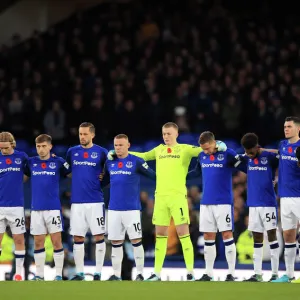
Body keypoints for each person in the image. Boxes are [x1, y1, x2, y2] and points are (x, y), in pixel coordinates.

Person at [108, 122, 227, 281]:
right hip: (161, 198)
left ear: (176, 134)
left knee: (183, 234)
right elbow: (143, 156)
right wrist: (120, 153)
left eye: (169, 134)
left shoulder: (185, 149)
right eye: (164, 134)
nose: (166, 137)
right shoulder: (159, 150)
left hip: (177, 197)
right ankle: (157, 273)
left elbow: (205, 148)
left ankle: (190, 272)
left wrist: (219, 144)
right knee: (161, 235)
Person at [187, 131, 241, 281]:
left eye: (208, 148)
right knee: (208, 236)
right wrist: (180, 175)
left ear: (214, 142)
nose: (206, 151)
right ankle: (208, 273)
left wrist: (230, 151)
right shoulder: (202, 156)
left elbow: (241, 165)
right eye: (203, 149)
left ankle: (231, 273)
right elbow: (195, 172)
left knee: (227, 235)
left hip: (223, 202)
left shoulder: (227, 154)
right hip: (206, 203)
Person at [104, 134, 156, 281]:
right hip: (113, 209)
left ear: (128, 145)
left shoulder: (136, 161)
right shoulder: (109, 163)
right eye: (116, 145)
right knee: (116, 242)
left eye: (121, 145)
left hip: (132, 209)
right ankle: (116, 274)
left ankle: (139, 274)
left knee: (136, 240)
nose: (118, 148)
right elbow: (103, 180)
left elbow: (154, 176)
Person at [25, 134, 71, 280]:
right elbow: (22, 178)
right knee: (38, 242)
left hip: (53, 209)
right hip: (36, 209)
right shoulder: (31, 162)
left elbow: (73, 174)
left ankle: (58, 275)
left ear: (50, 146)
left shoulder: (58, 161)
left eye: (44, 146)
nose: (41, 149)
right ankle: (39, 275)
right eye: (38, 146)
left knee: (56, 241)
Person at [66, 122, 107, 281]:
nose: (82, 137)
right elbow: (68, 171)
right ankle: (80, 273)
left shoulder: (101, 152)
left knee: (99, 237)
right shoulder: (72, 152)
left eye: (85, 134)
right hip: (77, 202)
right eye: (80, 134)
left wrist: (102, 180)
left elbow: (109, 172)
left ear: (92, 135)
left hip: (95, 201)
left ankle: (97, 273)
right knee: (78, 238)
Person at [238, 133, 280, 282]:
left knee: (272, 236)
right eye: (246, 151)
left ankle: (275, 273)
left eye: (251, 151)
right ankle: (257, 274)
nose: (249, 155)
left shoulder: (268, 157)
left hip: (268, 203)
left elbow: (282, 154)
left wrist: (265, 150)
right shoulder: (246, 159)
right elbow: (233, 159)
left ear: (257, 147)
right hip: (253, 205)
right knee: (257, 237)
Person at [270, 116, 300, 283]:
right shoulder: (282, 145)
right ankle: (289, 275)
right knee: (288, 236)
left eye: (289, 126)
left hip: (299, 197)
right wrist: (261, 151)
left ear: (298, 129)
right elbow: (279, 155)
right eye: (284, 126)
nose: (286, 129)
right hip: (285, 198)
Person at [0, 132, 28, 281]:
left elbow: (32, 170)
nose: (3, 151)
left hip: (16, 206)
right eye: (1, 148)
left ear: (12, 144)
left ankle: (18, 274)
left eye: (5, 148)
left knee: (19, 239)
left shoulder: (21, 157)